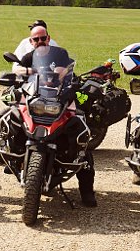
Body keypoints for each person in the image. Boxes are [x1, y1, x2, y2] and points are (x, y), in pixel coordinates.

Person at [12, 25, 97, 207]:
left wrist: (63, 76)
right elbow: (17, 69)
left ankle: (87, 191)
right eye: (36, 39)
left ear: (48, 38)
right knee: (13, 116)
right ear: (31, 41)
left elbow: (66, 70)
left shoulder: (59, 54)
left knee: (82, 135)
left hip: (58, 99)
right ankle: (13, 154)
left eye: (43, 38)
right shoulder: (29, 57)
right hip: (36, 99)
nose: (40, 42)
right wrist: (30, 72)